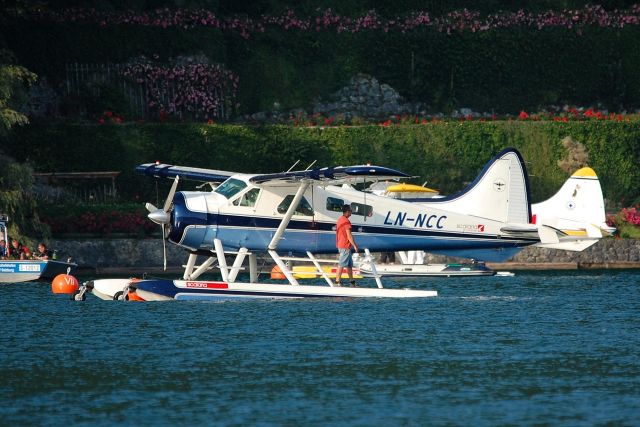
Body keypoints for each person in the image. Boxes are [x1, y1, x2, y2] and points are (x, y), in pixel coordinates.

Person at [335, 204, 358, 286]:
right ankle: (337, 282)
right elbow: (349, 235)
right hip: (345, 246)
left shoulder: (340, 219)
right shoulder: (346, 221)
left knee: (349, 265)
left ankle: (352, 282)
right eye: (351, 211)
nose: (351, 212)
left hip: (342, 245)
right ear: (347, 211)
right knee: (341, 264)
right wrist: (355, 245)